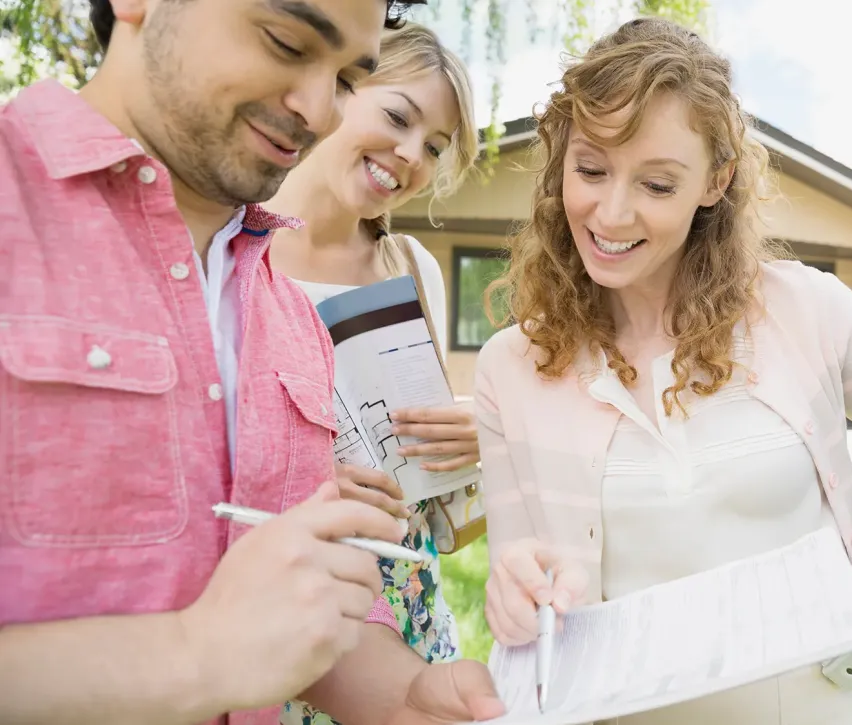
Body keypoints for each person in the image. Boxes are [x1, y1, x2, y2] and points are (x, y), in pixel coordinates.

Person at [473, 17, 852, 724]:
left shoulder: (811, 311)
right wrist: (513, 599)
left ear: (716, 180)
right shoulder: (509, 370)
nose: (611, 212)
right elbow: (519, 592)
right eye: (591, 170)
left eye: (656, 184)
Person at [0, 1, 505, 723]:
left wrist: (403, 697)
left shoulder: (287, 314)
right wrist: (193, 656)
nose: (319, 111)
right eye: (286, 42)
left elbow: (305, 599)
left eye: (345, 79)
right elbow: (225, 646)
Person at [261, 23, 486, 725]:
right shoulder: (235, 250)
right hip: (288, 610)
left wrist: (477, 435)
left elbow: (432, 483)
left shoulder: (412, 268)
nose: (412, 155)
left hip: (411, 606)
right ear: (339, 87)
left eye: (436, 146)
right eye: (398, 117)